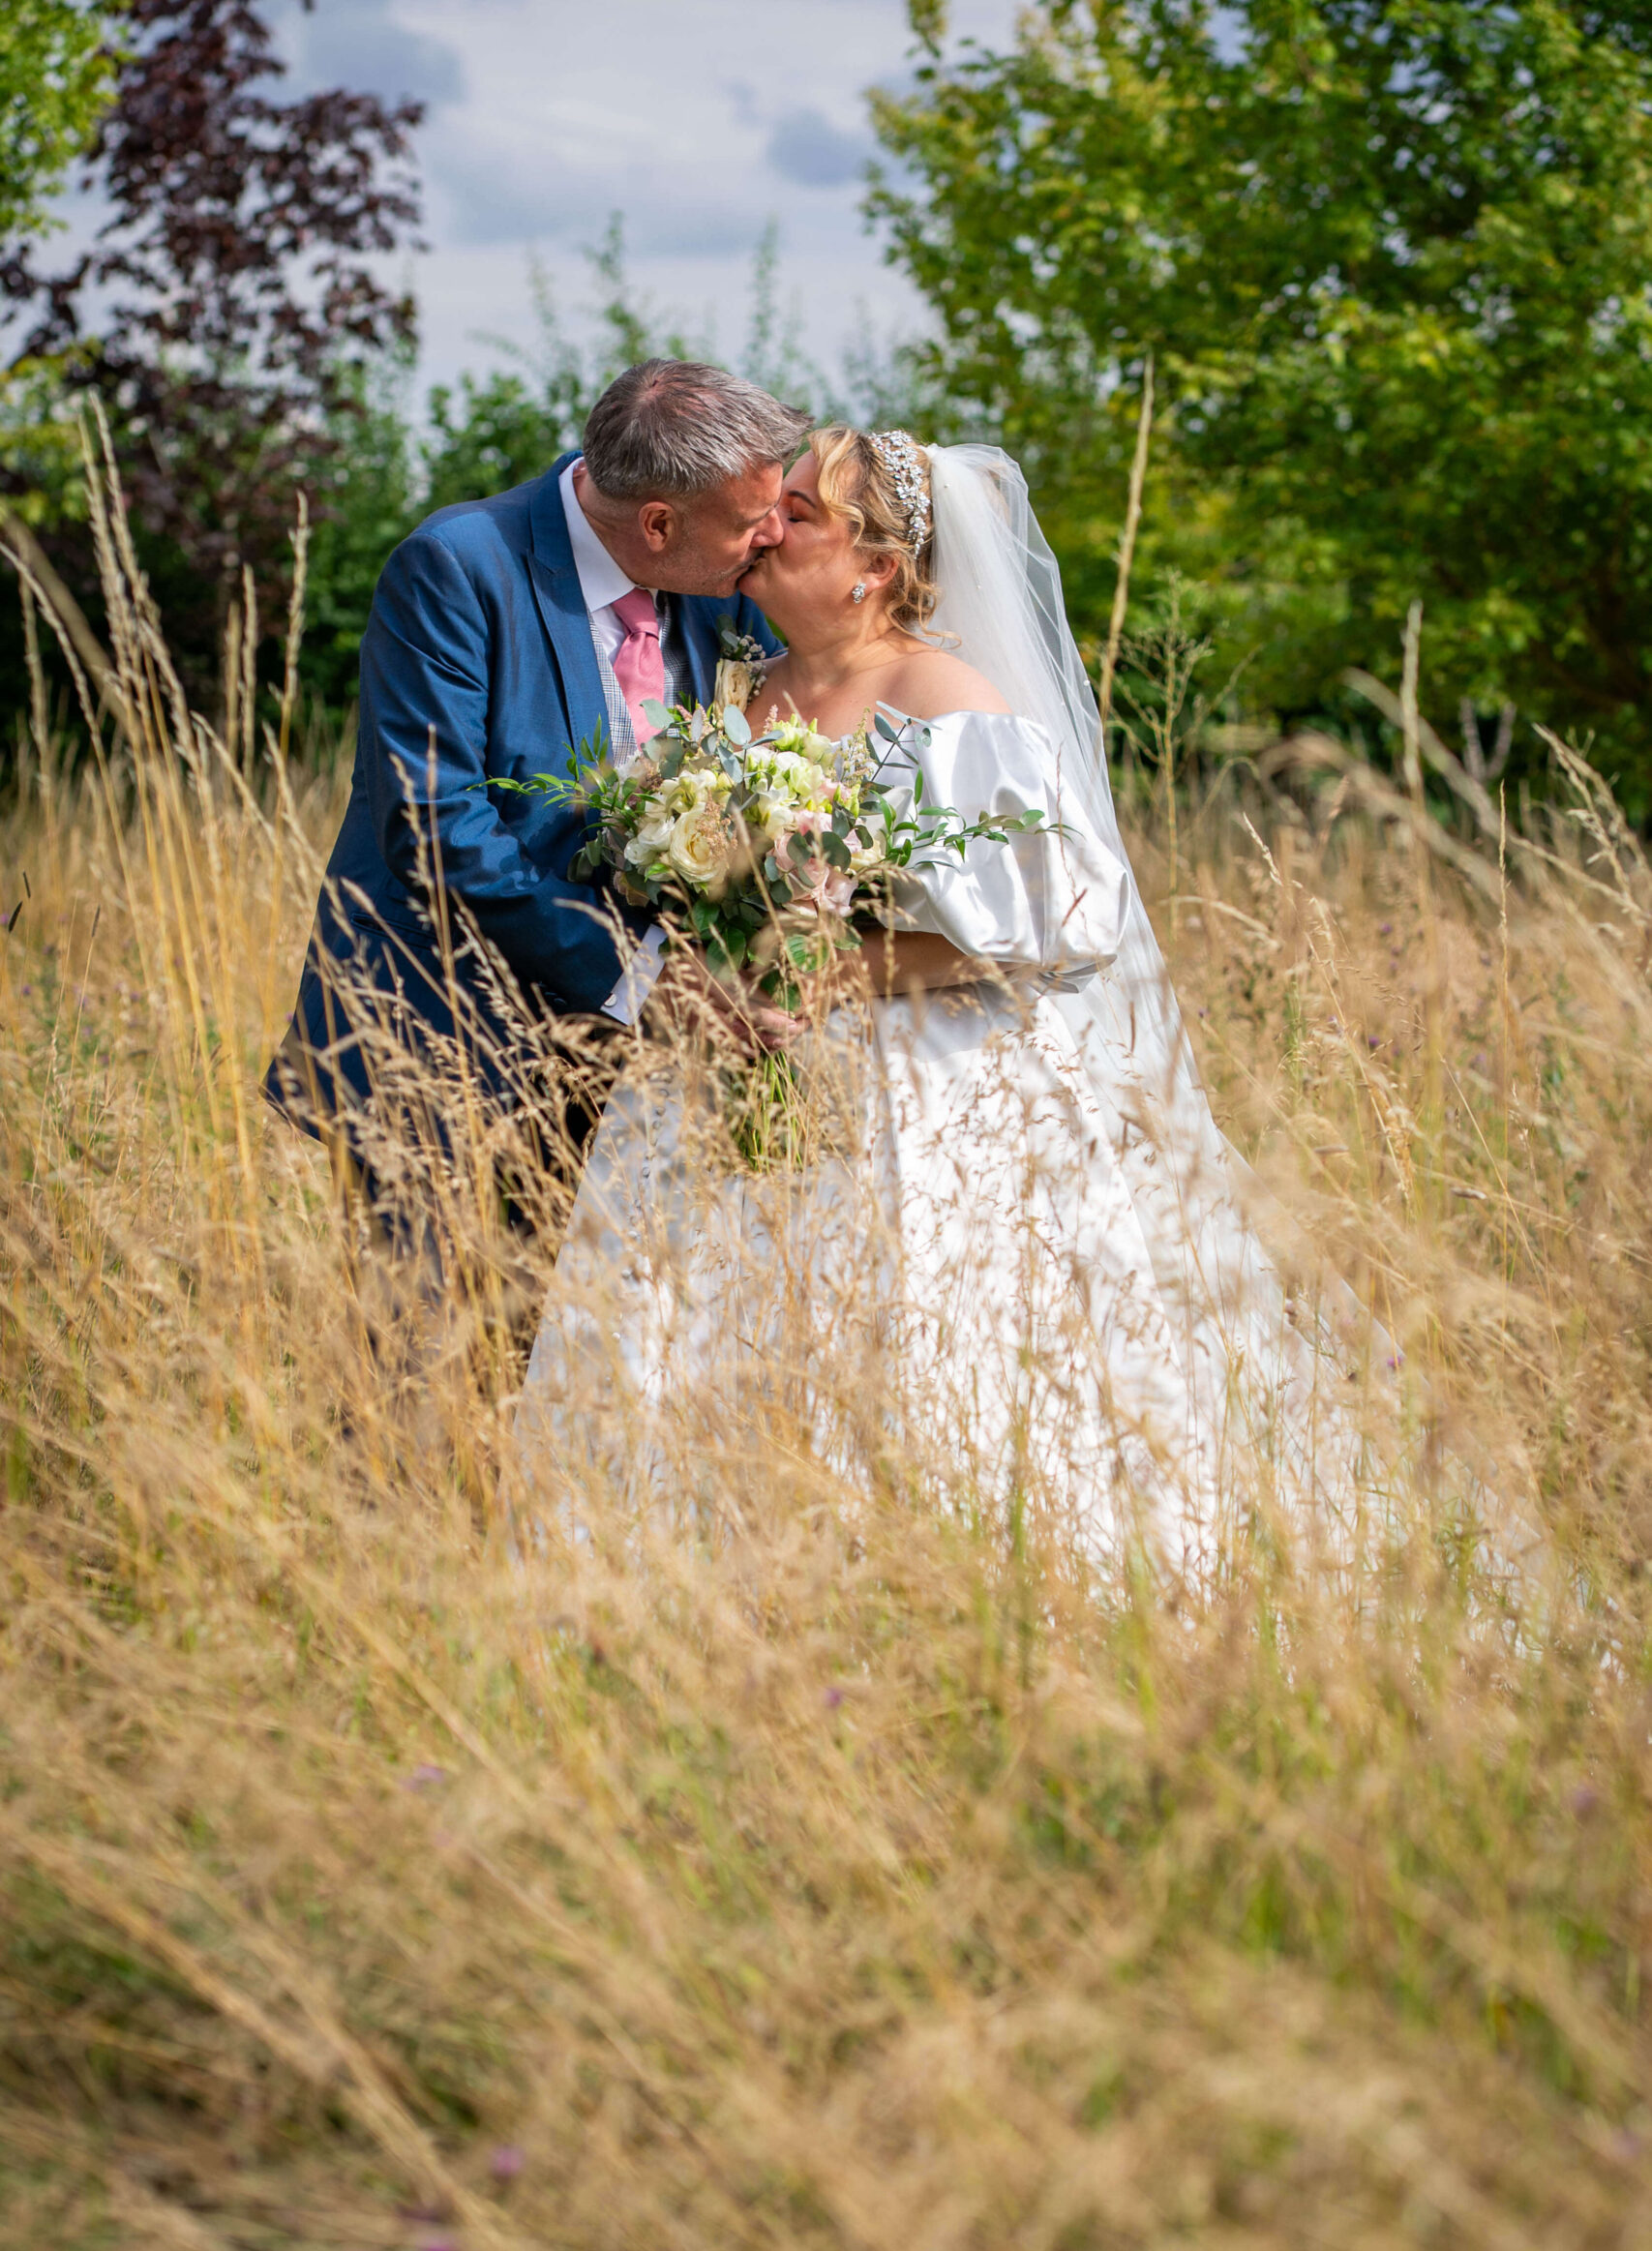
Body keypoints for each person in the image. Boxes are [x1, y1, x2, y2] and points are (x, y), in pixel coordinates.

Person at [518, 428, 1387, 1572]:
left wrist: (837, 973)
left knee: (924, 1335)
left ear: (876, 565)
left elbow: (1071, 916)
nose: (766, 527)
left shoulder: (940, 695)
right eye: (769, 508)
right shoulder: (734, 693)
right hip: (737, 1073)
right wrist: (707, 957)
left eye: (799, 513)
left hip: (931, 1091)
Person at [263, 360, 807, 1248]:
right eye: (756, 520)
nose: (775, 535)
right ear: (659, 522)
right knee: (430, 1362)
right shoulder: (458, 567)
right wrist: (644, 984)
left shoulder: (728, 598)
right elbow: (434, 825)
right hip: (443, 1047)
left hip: (637, 1085)